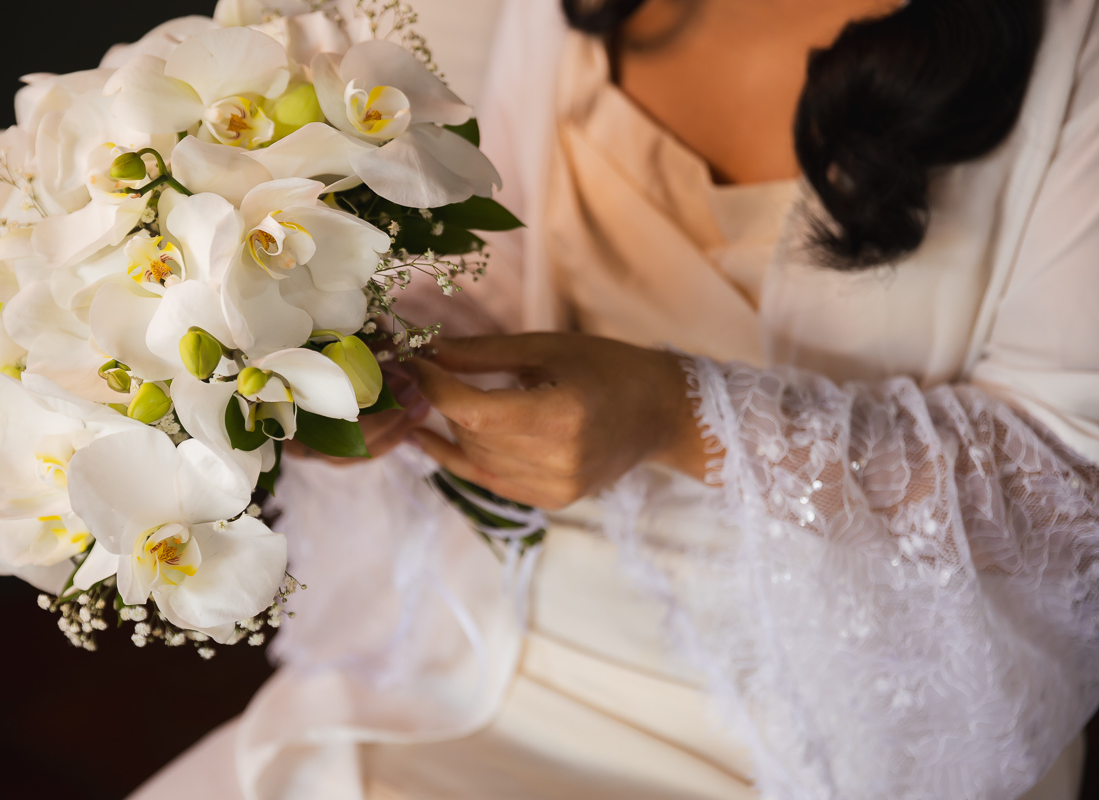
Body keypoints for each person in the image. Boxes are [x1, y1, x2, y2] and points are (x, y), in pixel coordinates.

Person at [132, 1, 1099, 798]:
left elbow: (1073, 493)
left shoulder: (1077, 49)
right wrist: (352, 357)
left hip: (821, 735)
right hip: (478, 649)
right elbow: (497, 276)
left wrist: (679, 416)